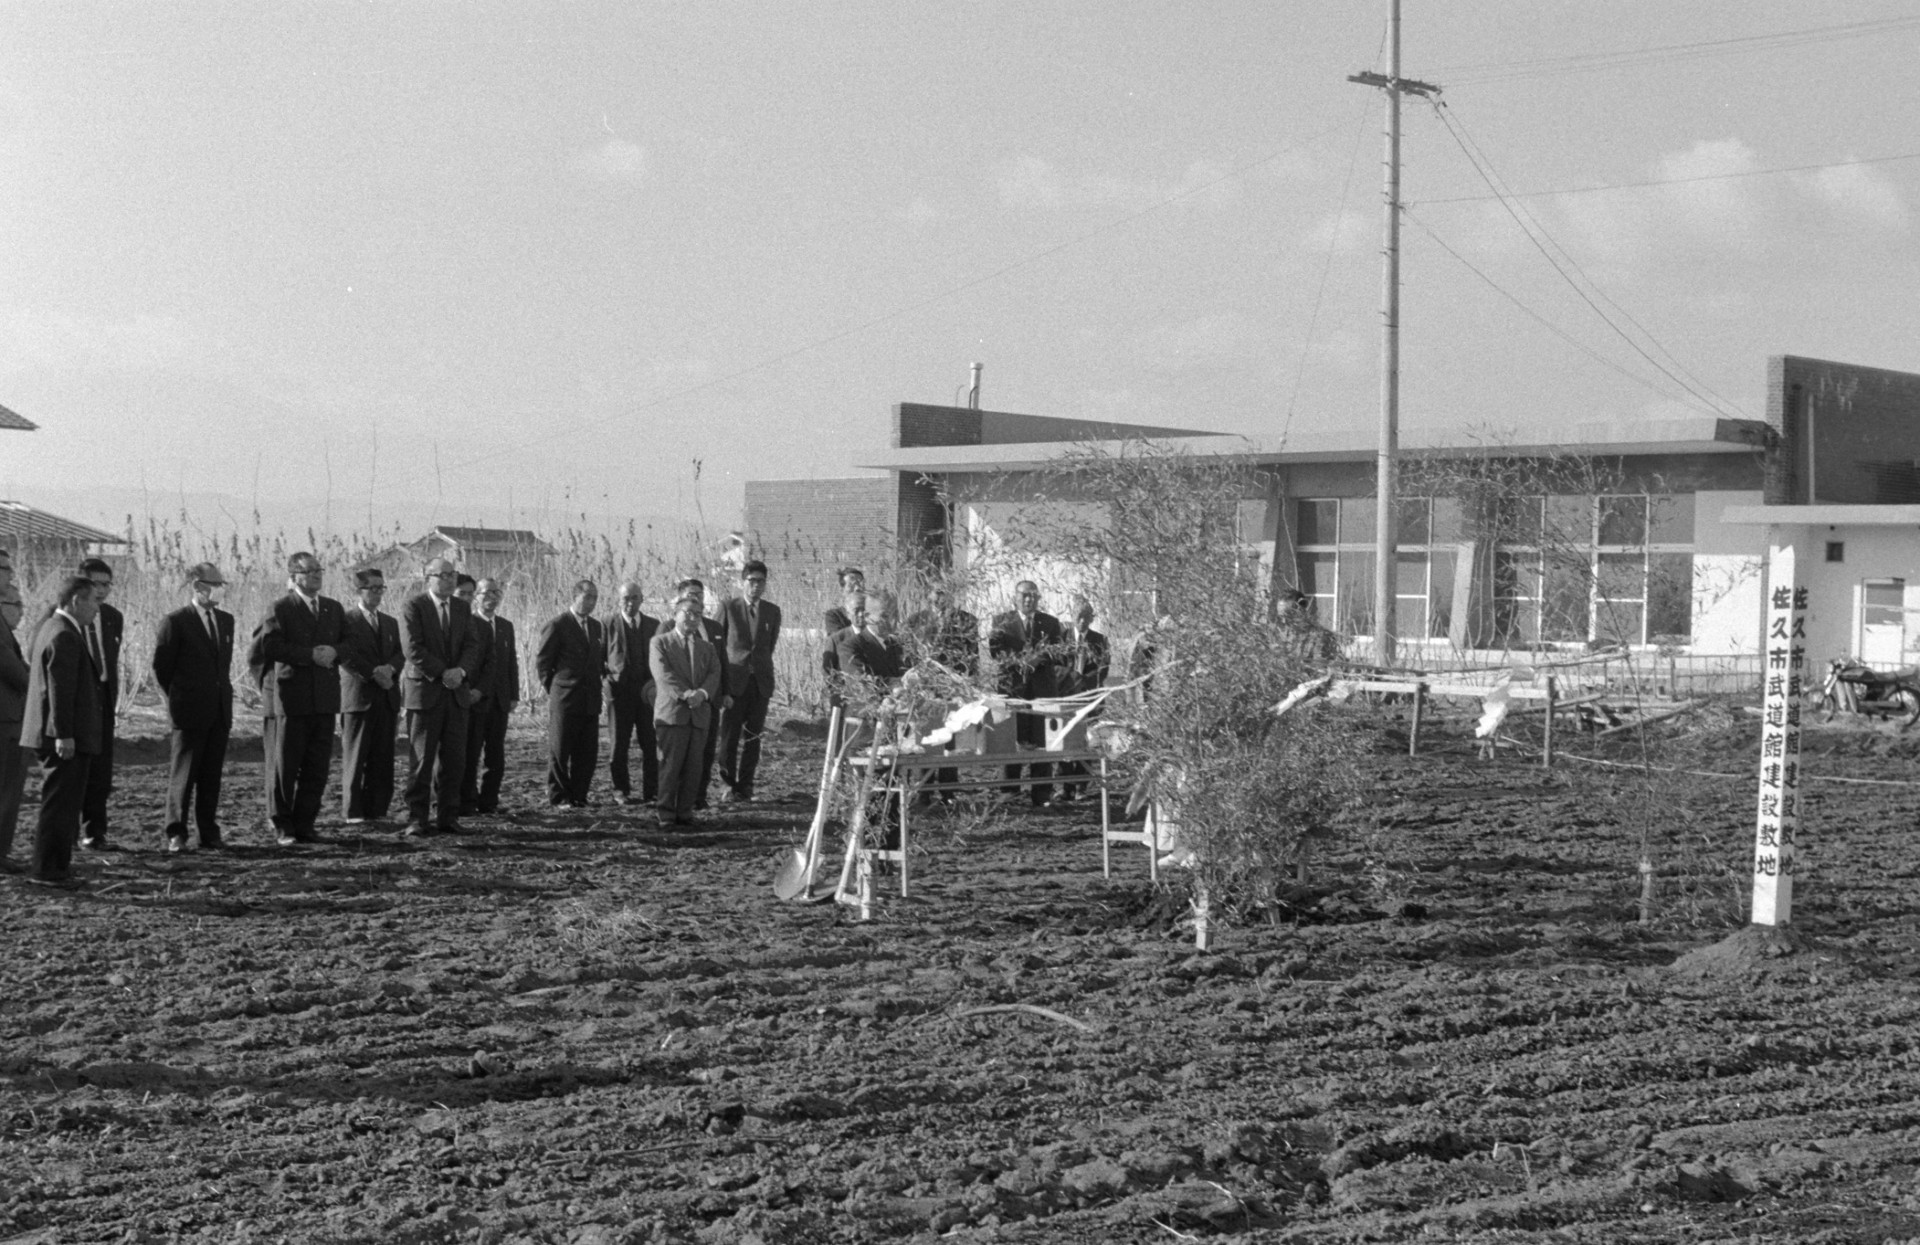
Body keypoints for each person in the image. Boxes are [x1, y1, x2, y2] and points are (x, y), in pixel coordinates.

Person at [249, 551, 345, 846]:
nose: (316, 575)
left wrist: (335, 653)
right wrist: (309, 655)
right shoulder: (281, 608)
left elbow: (350, 642)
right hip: (292, 699)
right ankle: (283, 826)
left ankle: (306, 824)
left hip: (325, 699)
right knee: (284, 766)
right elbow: (271, 647)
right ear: (294, 577)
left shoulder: (333, 608)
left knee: (317, 766)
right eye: (309, 571)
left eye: (319, 570)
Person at [21, 576, 102, 887]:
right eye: (94, 600)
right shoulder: (65, 634)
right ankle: (47, 870)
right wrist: (64, 735)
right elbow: (60, 690)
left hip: (54, 734)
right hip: (62, 738)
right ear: (74, 602)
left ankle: (55, 867)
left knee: (61, 803)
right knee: (60, 805)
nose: (97, 607)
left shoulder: (51, 627)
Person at [151, 564, 236, 852]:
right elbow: (162, 667)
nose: (220, 588)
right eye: (215, 583)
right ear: (197, 586)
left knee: (211, 775)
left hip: (219, 709)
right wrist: (179, 698)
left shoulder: (226, 621)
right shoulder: (176, 621)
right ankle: (176, 832)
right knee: (184, 775)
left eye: (221, 582)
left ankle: (208, 832)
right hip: (188, 711)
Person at [398, 558, 486, 836]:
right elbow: (413, 648)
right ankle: (417, 818)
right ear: (428, 578)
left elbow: (473, 646)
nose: (450, 580)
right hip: (426, 693)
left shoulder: (462, 607)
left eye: (453, 574)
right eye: (443, 575)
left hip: (456, 695)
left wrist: (460, 671)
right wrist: (442, 673)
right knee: (422, 761)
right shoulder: (414, 606)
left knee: (454, 760)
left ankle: (448, 817)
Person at [989, 580, 1063, 807]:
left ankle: (1041, 792)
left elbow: (1058, 652)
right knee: (1012, 737)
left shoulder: (1050, 623)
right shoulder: (1002, 621)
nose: (1029, 599)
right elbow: (995, 651)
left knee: (1041, 740)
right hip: (1013, 689)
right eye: (1025, 595)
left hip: (1042, 689)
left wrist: (1038, 658)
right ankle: (1010, 790)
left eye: (1033, 595)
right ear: (1015, 597)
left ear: (1038, 598)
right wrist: (1018, 660)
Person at [649, 595, 720, 826]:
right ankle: (666, 813)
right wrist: (686, 694)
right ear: (675, 614)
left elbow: (714, 673)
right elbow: (663, 675)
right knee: (670, 766)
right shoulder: (660, 642)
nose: (692, 618)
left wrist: (702, 694)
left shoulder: (706, 647)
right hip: (672, 714)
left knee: (693, 767)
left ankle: (685, 812)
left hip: (698, 715)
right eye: (687, 612)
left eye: (697, 614)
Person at [338, 569, 402, 825]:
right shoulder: (346, 621)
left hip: (386, 696)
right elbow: (345, 655)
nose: (377, 593)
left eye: (381, 588)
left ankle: (377, 809)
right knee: (356, 755)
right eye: (372, 588)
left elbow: (400, 652)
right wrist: (372, 673)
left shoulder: (390, 622)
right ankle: (353, 811)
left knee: (383, 756)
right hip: (359, 697)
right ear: (358, 591)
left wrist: (391, 670)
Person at [536, 579, 605, 808]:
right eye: (587, 597)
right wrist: (556, 689)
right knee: (560, 750)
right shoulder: (558, 624)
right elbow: (544, 663)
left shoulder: (596, 627)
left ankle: (579, 795)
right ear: (574, 597)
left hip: (590, 699)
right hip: (565, 698)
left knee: (587, 752)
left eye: (594, 597)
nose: (591, 602)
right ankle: (559, 797)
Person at [717, 559, 780, 802]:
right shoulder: (728, 607)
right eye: (751, 581)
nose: (756, 586)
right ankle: (727, 784)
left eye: (760, 581)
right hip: (734, 682)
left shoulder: (772, 611)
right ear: (742, 582)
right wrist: (722, 684)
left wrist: (759, 671)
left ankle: (746, 786)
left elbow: (768, 646)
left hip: (760, 684)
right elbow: (718, 645)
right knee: (729, 738)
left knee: (753, 739)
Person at [73, 558, 123, 851]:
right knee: (76, 771)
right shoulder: (64, 616)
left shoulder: (113, 617)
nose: (103, 591)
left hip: (104, 703)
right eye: (97, 584)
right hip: (77, 705)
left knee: (101, 773)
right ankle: (70, 831)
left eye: (107, 584)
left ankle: (95, 831)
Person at [461, 578, 518, 817]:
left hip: (500, 700)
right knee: (471, 753)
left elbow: (511, 664)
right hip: (475, 700)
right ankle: (467, 800)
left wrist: (514, 694)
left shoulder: (505, 626)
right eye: (486, 593)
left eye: (496, 592)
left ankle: (489, 801)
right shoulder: (469, 624)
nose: (492, 598)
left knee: (496, 755)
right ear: (476, 597)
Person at [602, 581, 659, 808]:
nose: (630, 602)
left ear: (641, 599)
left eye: (634, 597)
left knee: (651, 744)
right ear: (619, 600)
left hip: (647, 695)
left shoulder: (654, 625)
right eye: (625, 598)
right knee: (619, 745)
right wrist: (606, 684)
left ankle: (652, 792)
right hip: (619, 694)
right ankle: (620, 791)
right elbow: (599, 659)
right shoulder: (608, 624)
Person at [673, 577, 727, 810]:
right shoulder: (667, 628)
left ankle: (699, 795)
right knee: (683, 751)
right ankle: (679, 796)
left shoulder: (714, 627)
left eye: (700, 595)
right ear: (681, 598)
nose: (697, 598)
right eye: (691, 594)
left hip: (710, 699)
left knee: (706, 750)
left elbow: (721, 663)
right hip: (682, 702)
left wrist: (724, 692)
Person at [1055, 593, 1111, 802]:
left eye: (1086, 616)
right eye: (1079, 616)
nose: (1082, 620)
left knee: (1086, 742)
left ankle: (1081, 786)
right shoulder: (1061, 638)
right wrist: (1073, 679)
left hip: (1090, 699)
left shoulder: (1100, 641)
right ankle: (1064, 786)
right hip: (1066, 699)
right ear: (1072, 616)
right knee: (1065, 742)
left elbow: (1102, 670)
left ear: (1092, 618)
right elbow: (1056, 666)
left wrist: (1083, 683)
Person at [0, 584, 28, 871]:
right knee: (6, 791)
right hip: (6, 722)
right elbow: (17, 674)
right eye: (15, 604)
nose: (21, 611)